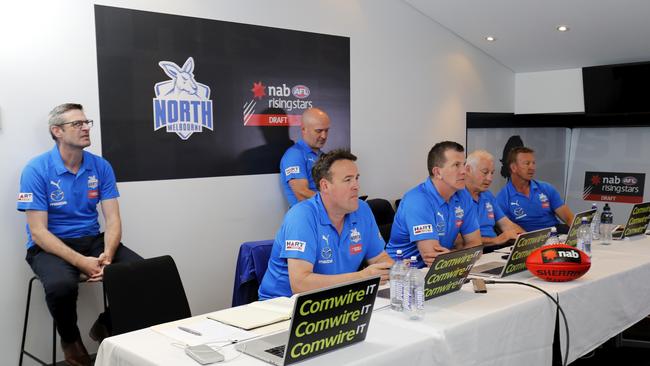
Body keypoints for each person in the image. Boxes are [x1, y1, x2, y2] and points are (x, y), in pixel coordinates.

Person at [17, 103, 142, 366]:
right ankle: (71, 341)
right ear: (57, 131)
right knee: (61, 286)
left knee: (141, 272)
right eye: (77, 124)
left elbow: (113, 218)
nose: (86, 127)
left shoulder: (100, 166)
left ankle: (106, 325)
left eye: (87, 123)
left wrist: (107, 254)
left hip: (92, 239)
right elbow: (38, 232)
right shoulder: (36, 169)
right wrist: (81, 262)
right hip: (49, 245)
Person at [259, 149, 393, 300]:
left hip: (335, 298)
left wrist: (392, 268)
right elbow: (300, 284)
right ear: (325, 186)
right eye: (348, 180)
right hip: (282, 306)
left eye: (356, 178)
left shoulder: (362, 209)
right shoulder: (301, 216)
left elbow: (380, 258)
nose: (356, 186)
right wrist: (362, 277)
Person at [386, 141, 482, 268]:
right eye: (456, 165)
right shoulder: (417, 200)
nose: (464, 171)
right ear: (437, 172)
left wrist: (452, 256)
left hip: (442, 271)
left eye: (464, 164)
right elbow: (433, 258)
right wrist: (457, 256)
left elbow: (476, 246)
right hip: (404, 276)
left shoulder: (463, 194)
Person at [496, 146, 574, 233]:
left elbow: (568, 218)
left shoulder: (546, 188)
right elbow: (507, 229)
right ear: (513, 167)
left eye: (533, 163)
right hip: (528, 240)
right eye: (527, 163)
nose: (532, 167)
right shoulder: (502, 198)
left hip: (555, 234)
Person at [465, 150, 524, 251]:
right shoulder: (456, 198)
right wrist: (496, 240)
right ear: (468, 170)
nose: (490, 178)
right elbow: (461, 242)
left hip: (494, 250)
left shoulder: (487, 195)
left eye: (492, 173)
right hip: (472, 253)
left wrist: (529, 240)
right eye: (485, 172)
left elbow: (506, 224)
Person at [279, 107, 330, 206]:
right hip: (306, 215)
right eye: (319, 131)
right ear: (303, 129)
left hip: (326, 213)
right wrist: (333, 201)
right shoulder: (294, 155)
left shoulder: (322, 155)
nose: (324, 136)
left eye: (326, 130)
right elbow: (301, 194)